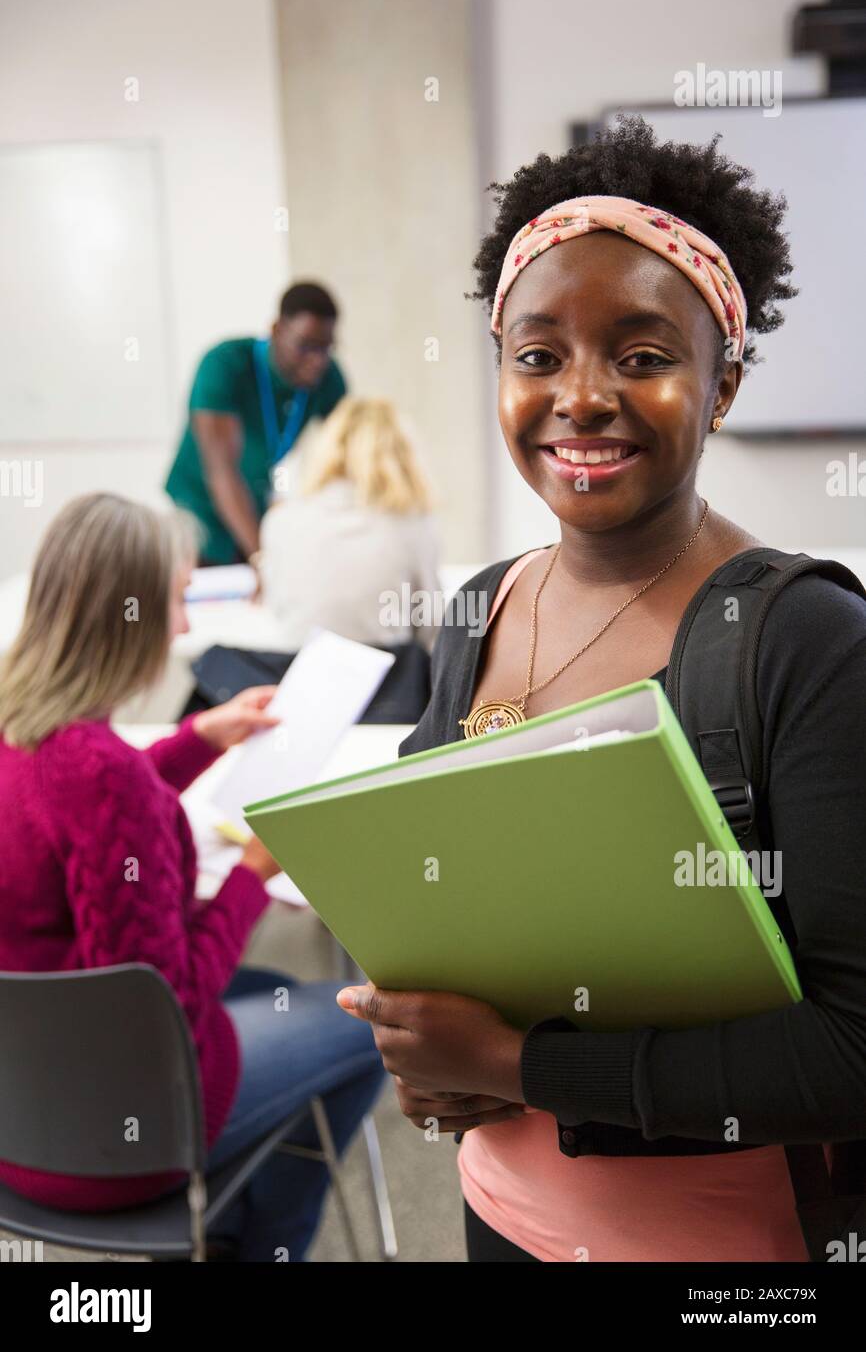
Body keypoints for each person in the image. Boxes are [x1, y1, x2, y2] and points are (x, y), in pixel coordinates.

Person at [335, 114, 866, 1262]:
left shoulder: (806, 642)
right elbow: (422, 901)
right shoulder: (474, 610)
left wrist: (509, 1064)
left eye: (641, 355)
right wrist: (422, 1054)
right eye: (537, 356)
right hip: (495, 1217)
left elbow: (847, 1053)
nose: (579, 396)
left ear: (719, 387)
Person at [0, 493, 383, 1262]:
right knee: (372, 1020)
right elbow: (165, 1003)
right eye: (175, 601)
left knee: (267, 983)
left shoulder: (21, 732)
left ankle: (238, 1229)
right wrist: (251, 874)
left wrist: (197, 739)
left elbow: (70, 808)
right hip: (122, 1133)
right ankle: (256, 1249)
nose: (182, 626)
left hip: (22, 1114)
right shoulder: (108, 779)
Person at [165, 282, 348, 565]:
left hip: (253, 509)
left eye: (326, 348)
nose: (317, 360)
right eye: (305, 346)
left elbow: (352, 454)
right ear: (277, 330)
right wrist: (262, 557)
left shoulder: (328, 378)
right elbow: (221, 470)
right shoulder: (224, 364)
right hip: (199, 513)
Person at [258, 397, 441, 652]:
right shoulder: (414, 525)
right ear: (401, 454)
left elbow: (281, 610)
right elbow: (428, 625)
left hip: (299, 677)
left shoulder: (279, 523)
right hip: (392, 684)